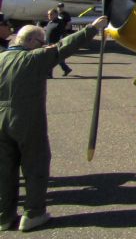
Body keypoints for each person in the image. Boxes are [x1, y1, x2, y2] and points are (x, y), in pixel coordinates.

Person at [0, 15, 109, 231]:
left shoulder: (1, 58)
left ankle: (4, 216)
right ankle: (33, 214)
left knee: (4, 170)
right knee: (35, 166)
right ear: (31, 42)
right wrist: (92, 29)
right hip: (25, 120)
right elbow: (62, 47)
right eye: (41, 43)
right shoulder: (34, 58)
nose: (43, 46)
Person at [44, 9, 72, 77]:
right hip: (49, 43)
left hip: (55, 44)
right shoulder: (50, 22)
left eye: (51, 14)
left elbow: (63, 34)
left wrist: (60, 43)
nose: (49, 16)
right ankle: (66, 69)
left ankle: (49, 75)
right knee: (57, 59)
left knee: (50, 59)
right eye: (48, 14)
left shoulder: (60, 23)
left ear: (56, 14)